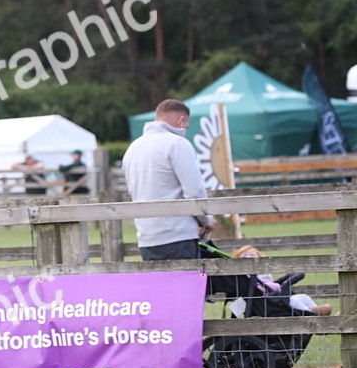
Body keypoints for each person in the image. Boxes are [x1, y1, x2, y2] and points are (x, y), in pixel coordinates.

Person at [122, 98, 214, 260]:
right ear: (182, 120)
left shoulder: (133, 148)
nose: (185, 130)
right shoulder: (178, 144)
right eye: (186, 126)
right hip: (178, 237)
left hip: (146, 238)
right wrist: (205, 219)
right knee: (187, 285)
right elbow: (194, 193)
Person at [231, 246, 332, 316]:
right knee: (293, 300)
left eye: (253, 256)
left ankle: (319, 314)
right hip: (263, 305)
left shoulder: (264, 273)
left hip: (272, 300)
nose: (249, 258)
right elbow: (238, 304)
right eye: (245, 256)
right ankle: (311, 312)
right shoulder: (243, 277)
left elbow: (270, 286)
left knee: (304, 297)